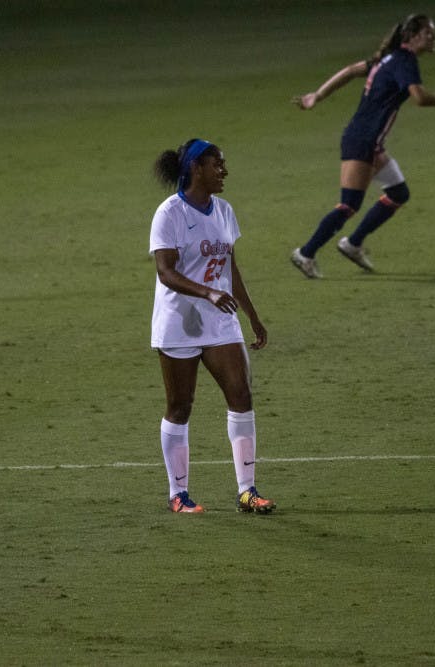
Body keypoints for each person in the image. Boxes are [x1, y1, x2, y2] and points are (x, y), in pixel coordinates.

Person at [289, 13, 435, 277]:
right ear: (412, 37)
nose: (433, 38)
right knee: (349, 205)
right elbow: (419, 98)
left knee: (399, 193)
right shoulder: (404, 60)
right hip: (364, 140)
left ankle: (353, 244)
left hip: (367, 140)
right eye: (428, 33)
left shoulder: (387, 59)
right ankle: (305, 253)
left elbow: (351, 71)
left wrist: (317, 95)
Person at [149, 138, 275, 514]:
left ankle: (247, 491)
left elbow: (230, 267)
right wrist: (207, 293)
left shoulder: (223, 211)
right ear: (195, 169)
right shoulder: (169, 213)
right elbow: (166, 271)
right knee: (180, 405)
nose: (224, 171)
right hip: (179, 322)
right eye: (217, 164)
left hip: (220, 320)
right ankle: (178, 494)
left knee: (241, 394)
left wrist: (252, 315)